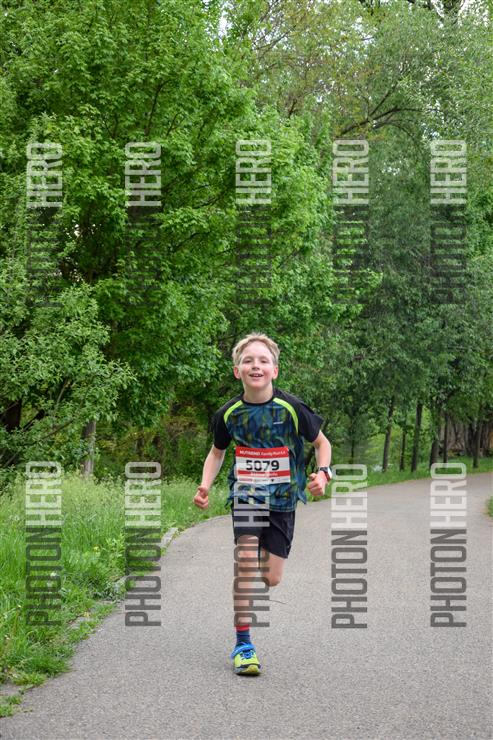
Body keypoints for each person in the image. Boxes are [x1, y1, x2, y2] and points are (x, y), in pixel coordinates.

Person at [193, 333, 332, 675]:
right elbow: (217, 453)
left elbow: (322, 443)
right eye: (248, 361)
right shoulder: (228, 413)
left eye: (263, 360)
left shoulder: (292, 408)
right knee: (244, 562)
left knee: (271, 578)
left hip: (283, 500)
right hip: (247, 495)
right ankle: (243, 645)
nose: (256, 366)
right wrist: (204, 485)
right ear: (237, 370)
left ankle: (259, 558)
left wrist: (324, 473)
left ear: (275, 370)